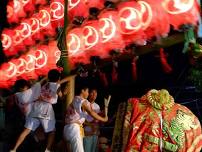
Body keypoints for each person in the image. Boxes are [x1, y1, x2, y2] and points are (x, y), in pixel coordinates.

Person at [10, 69, 72, 152]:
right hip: (46, 108)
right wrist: (65, 92)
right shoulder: (57, 86)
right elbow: (62, 97)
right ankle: (47, 150)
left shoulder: (44, 85)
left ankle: (14, 149)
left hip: (36, 107)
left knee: (27, 130)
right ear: (58, 78)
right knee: (52, 131)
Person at [63, 85, 110, 152]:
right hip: (74, 128)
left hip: (69, 128)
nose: (88, 93)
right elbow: (91, 112)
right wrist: (104, 119)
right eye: (87, 91)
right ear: (82, 91)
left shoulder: (75, 100)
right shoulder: (81, 100)